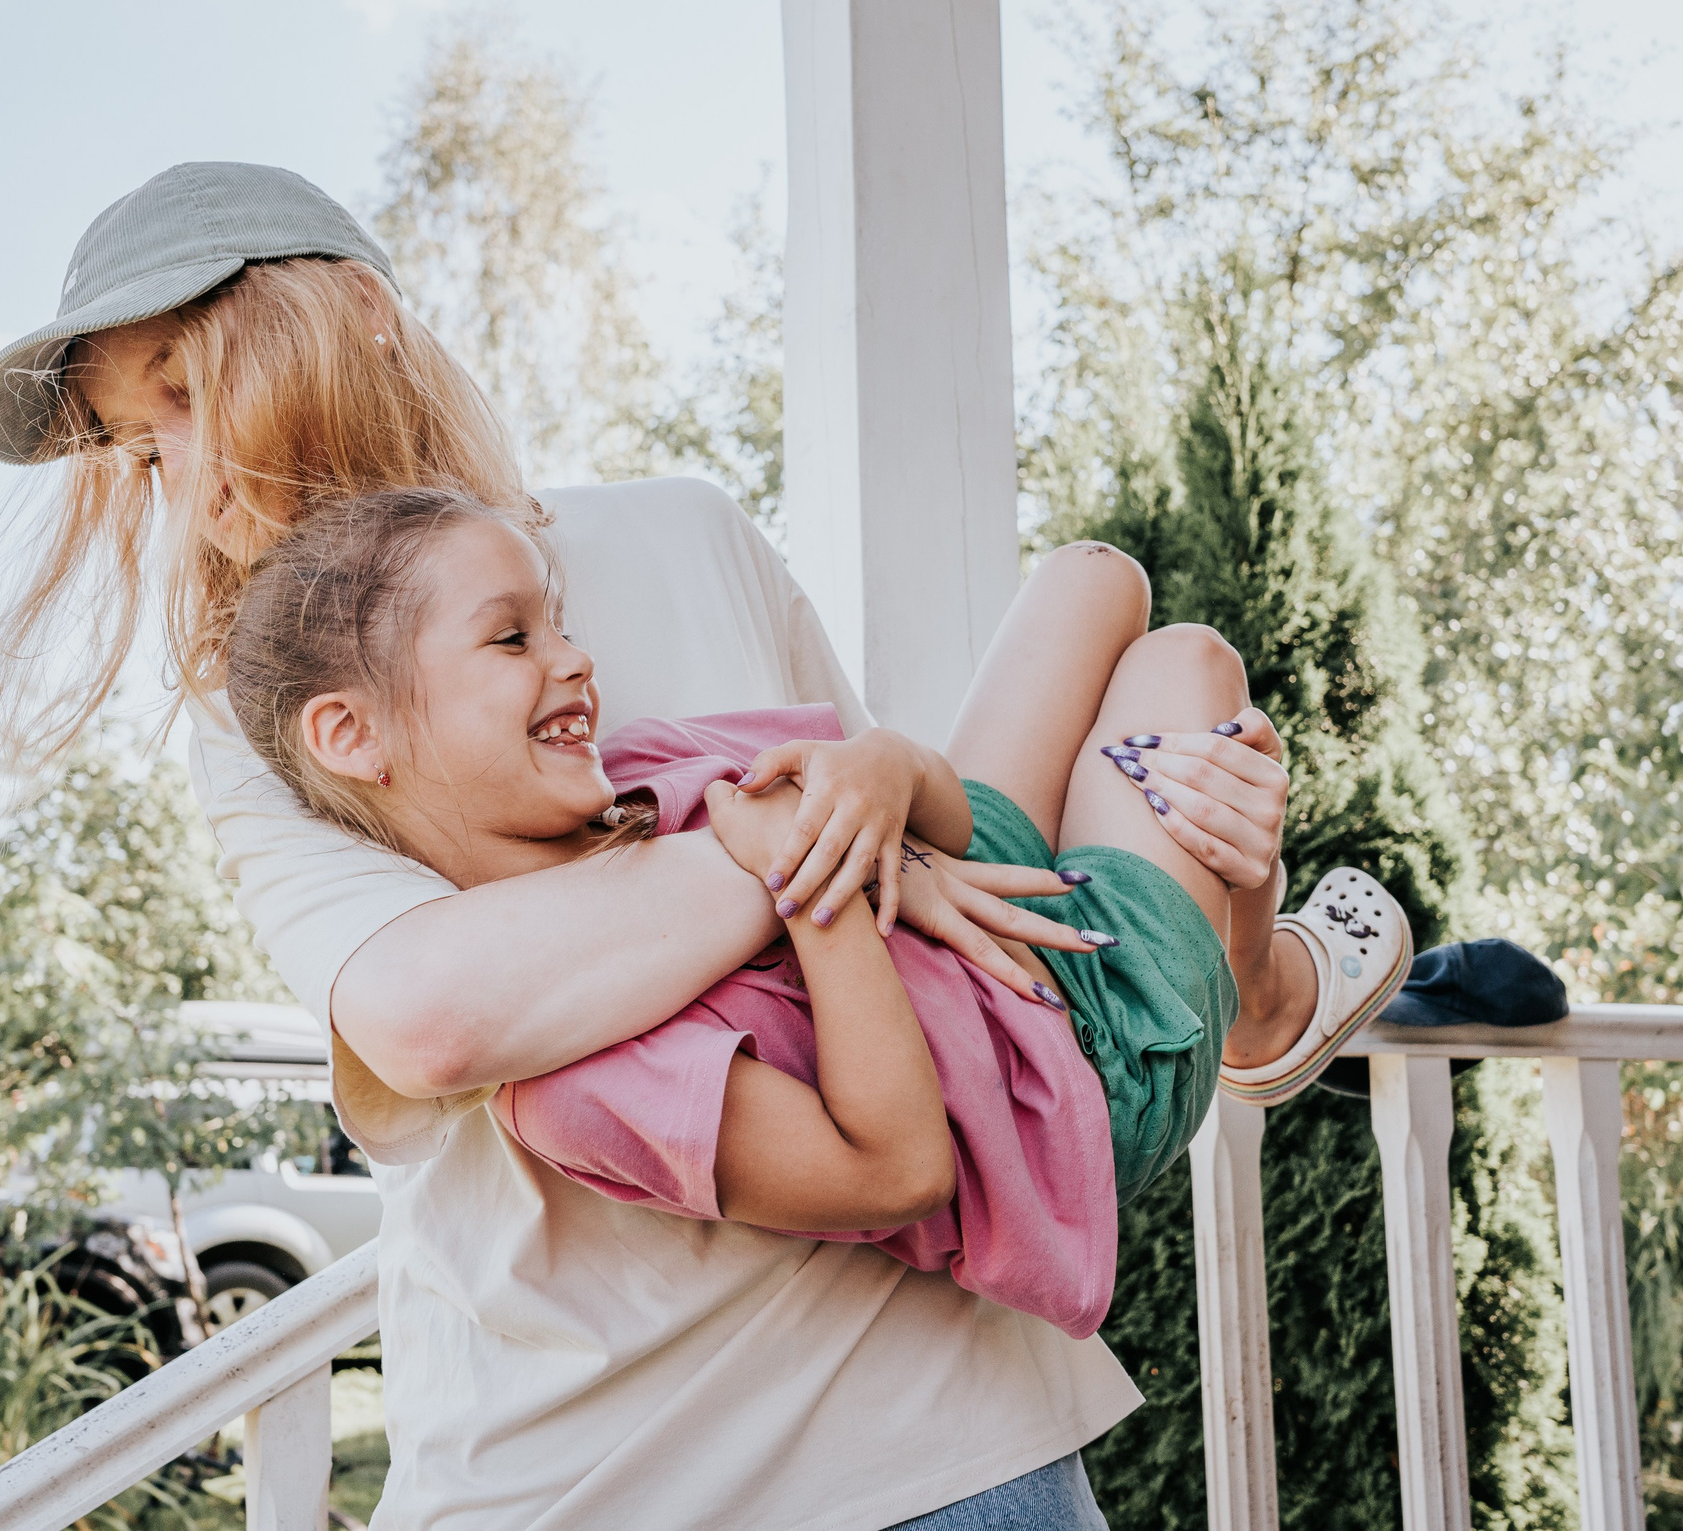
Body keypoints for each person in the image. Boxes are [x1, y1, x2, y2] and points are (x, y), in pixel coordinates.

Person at [0, 161, 1347, 1528]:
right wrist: (797, 847)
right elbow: (433, 1015)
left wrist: (889, 834)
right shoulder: (272, 716)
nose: (186, 476)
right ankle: (1265, 984)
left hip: (941, 1437)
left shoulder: (686, 531)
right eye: (145, 440)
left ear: (358, 315)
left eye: (192, 391)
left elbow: (929, 917)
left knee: (1147, 633)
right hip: (577, 1473)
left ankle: (1263, 979)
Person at [222, 487, 1414, 1340]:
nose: (575, 660)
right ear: (352, 735)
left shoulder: (648, 764)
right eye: (512, 637)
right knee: (1187, 667)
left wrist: (890, 768)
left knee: (1096, 577)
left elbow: (927, 820)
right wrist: (807, 882)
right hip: (1079, 1047)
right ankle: (1255, 1003)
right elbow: (896, 1169)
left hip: (986, 896)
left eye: (562, 623)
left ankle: (1251, 971)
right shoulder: (570, 1088)